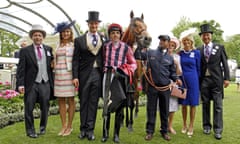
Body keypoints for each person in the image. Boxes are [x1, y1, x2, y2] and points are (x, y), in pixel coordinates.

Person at [136, 35, 182, 141]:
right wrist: (140, 43)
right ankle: (149, 132)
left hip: (165, 88)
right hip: (152, 87)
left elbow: (172, 73)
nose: (162, 42)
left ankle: (164, 131)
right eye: (161, 40)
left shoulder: (170, 58)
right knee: (151, 110)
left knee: (164, 110)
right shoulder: (150, 53)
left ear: (168, 43)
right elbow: (138, 55)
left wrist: (176, 79)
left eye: (164, 40)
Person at [72, 11, 105, 141]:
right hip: (84, 74)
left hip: (98, 73)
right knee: (84, 102)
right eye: (91, 23)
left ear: (98, 24)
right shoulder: (79, 40)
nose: (94, 25)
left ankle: (90, 130)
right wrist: (75, 76)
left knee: (93, 103)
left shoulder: (103, 38)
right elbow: (75, 60)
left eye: (96, 23)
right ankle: (83, 129)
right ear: (88, 24)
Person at [101, 23, 137, 143]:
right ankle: (105, 133)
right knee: (107, 103)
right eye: (112, 33)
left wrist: (127, 70)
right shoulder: (105, 46)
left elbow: (133, 64)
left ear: (120, 34)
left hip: (120, 77)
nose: (115, 35)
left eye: (117, 33)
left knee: (120, 104)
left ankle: (116, 134)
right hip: (108, 76)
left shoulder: (126, 48)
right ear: (109, 35)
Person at [16, 24, 54, 138]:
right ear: (32, 37)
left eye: (40, 35)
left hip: (45, 82)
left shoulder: (48, 49)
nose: (38, 37)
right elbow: (21, 69)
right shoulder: (25, 51)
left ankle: (43, 128)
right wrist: (20, 84)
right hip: (31, 83)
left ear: (43, 37)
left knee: (45, 107)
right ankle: (30, 130)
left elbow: (51, 64)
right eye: (35, 35)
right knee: (29, 108)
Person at [198, 23, 230, 140]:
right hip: (204, 81)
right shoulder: (199, 49)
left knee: (218, 106)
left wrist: (226, 78)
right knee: (205, 104)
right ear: (201, 37)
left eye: (207, 35)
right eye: (203, 35)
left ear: (211, 35)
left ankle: (218, 130)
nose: (206, 37)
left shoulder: (219, 47)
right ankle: (206, 126)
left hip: (216, 80)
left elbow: (225, 64)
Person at [53, 21, 76, 136]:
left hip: (70, 75)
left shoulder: (74, 45)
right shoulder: (57, 45)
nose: (65, 33)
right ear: (61, 33)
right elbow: (54, 59)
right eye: (63, 32)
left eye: (67, 31)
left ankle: (70, 126)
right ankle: (63, 126)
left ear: (70, 33)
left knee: (71, 100)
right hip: (58, 75)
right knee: (61, 101)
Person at [178, 33, 201, 137]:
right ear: (182, 42)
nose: (186, 42)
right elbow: (177, 67)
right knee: (183, 104)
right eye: (184, 41)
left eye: (188, 40)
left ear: (192, 42)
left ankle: (191, 125)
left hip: (193, 80)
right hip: (182, 80)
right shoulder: (180, 53)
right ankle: (184, 124)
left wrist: (198, 81)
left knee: (192, 104)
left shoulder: (196, 53)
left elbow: (199, 68)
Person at [167, 37, 182, 135]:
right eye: (169, 45)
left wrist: (176, 64)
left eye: (173, 45)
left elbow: (179, 73)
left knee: (172, 106)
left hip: (173, 83)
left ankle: (170, 126)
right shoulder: (161, 55)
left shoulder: (177, 57)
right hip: (163, 83)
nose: (170, 47)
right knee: (163, 106)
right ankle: (163, 125)